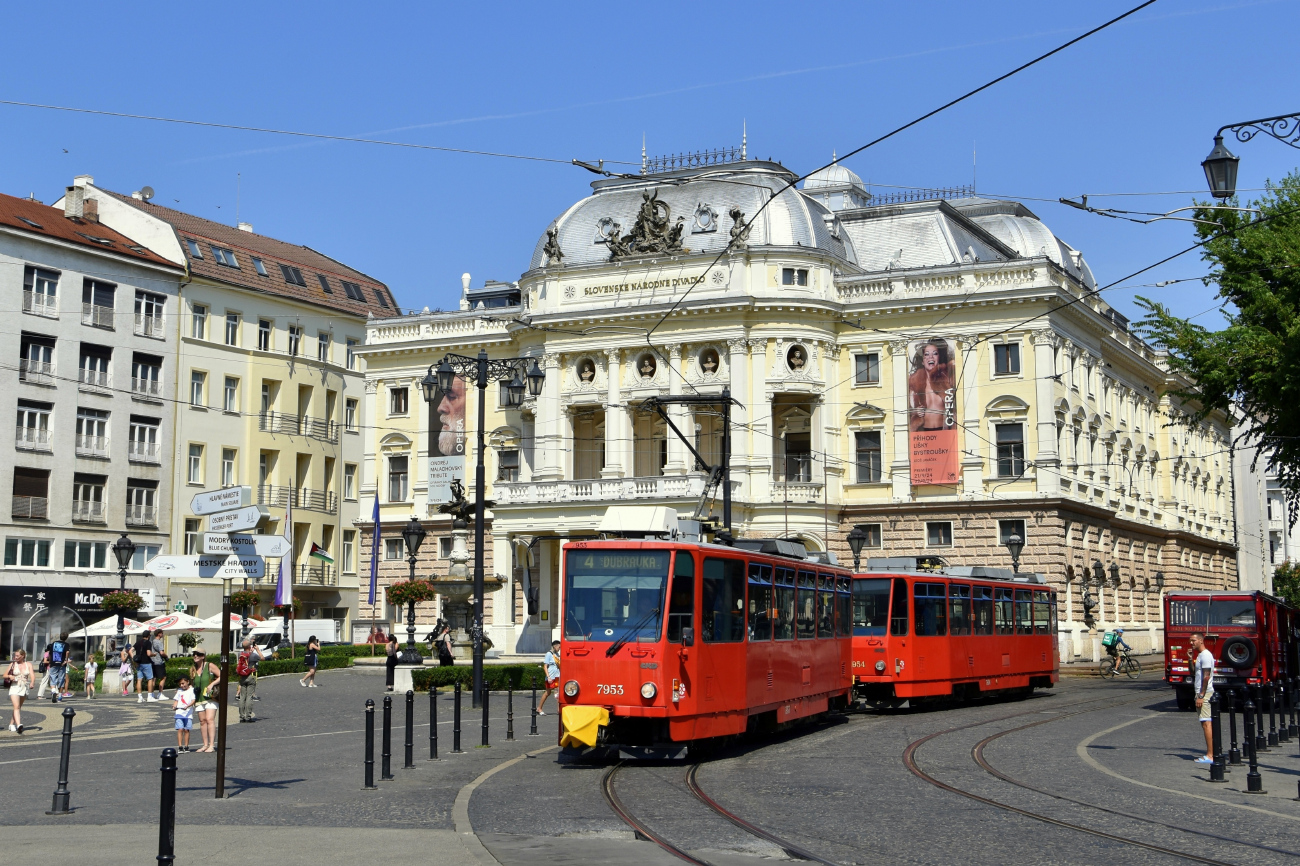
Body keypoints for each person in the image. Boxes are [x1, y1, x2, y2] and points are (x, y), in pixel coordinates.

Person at [907, 338, 956, 432]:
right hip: (923, 435)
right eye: (926, 354)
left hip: (945, 432)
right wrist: (916, 412)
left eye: (935, 353)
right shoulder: (913, 383)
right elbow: (905, 410)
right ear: (922, 361)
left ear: (939, 358)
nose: (931, 357)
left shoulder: (948, 379)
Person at [1189, 632, 1216, 765]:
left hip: (1204, 694)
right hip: (1201, 692)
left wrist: (1201, 696)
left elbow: (1206, 676)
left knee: (1206, 724)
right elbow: (1194, 673)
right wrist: (1190, 659)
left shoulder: (1206, 655)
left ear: (1200, 640)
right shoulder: (1200, 655)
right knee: (1205, 723)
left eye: (1193, 640)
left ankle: (1210, 755)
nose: (1191, 643)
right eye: (1190, 641)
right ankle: (1210, 753)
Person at [190, 650, 221, 752]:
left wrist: (212, 684)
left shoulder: (209, 665)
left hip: (210, 697)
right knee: (202, 722)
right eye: (194, 654)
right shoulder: (193, 669)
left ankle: (211, 745)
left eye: (198, 654)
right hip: (199, 698)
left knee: (209, 719)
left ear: (203, 656)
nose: (196, 656)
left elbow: (222, 676)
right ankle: (205, 744)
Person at [6, 650, 35, 733]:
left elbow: (32, 675)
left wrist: (32, 682)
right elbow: (5, 675)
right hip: (14, 687)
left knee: (18, 707)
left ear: (23, 656)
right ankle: (19, 725)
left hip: (24, 687)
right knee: (16, 706)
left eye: (18, 656)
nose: (16, 657)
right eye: (15, 656)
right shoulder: (12, 664)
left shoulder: (28, 664)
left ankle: (11, 724)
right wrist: (10, 676)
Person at [236, 639, 258, 722]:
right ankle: (248, 716)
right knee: (249, 696)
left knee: (242, 697)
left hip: (242, 677)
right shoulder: (252, 654)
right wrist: (255, 650)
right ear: (250, 646)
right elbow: (261, 659)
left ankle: (241, 717)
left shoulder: (240, 654)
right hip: (250, 676)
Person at [537, 640, 561, 715]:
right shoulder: (549, 654)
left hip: (557, 676)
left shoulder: (557, 654)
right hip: (551, 676)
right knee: (548, 692)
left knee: (558, 693)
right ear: (555, 646)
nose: (559, 649)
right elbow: (545, 666)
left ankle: (558, 710)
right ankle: (539, 708)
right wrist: (548, 676)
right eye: (559, 647)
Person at [173, 675, 195, 752]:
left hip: (188, 714)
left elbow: (193, 700)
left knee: (186, 730)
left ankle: (186, 746)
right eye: (180, 684)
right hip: (179, 712)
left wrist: (188, 706)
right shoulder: (179, 691)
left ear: (188, 682)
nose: (182, 686)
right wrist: (174, 706)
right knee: (180, 729)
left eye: (183, 683)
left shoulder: (192, 690)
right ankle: (180, 746)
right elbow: (176, 700)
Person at [45, 633, 70, 702]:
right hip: (62, 664)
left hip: (53, 663)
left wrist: (50, 661)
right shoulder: (66, 644)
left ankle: (53, 691)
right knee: (61, 679)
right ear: (66, 638)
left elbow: (50, 653)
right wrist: (66, 660)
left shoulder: (53, 644)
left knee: (53, 678)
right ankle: (60, 696)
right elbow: (67, 652)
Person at [134, 632, 155, 703]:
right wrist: (154, 654)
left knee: (139, 679)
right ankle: (149, 696)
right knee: (150, 679)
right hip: (146, 662)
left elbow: (130, 650)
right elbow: (148, 653)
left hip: (139, 663)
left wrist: (134, 658)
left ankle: (140, 697)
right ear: (148, 636)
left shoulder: (138, 642)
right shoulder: (148, 643)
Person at [150, 629, 169, 700]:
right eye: (162, 633)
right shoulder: (159, 642)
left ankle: (151, 694)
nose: (162, 634)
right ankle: (160, 694)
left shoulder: (152, 642)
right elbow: (161, 652)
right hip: (159, 661)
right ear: (159, 634)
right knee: (163, 677)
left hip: (152, 661)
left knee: (153, 678)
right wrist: (166, 656)